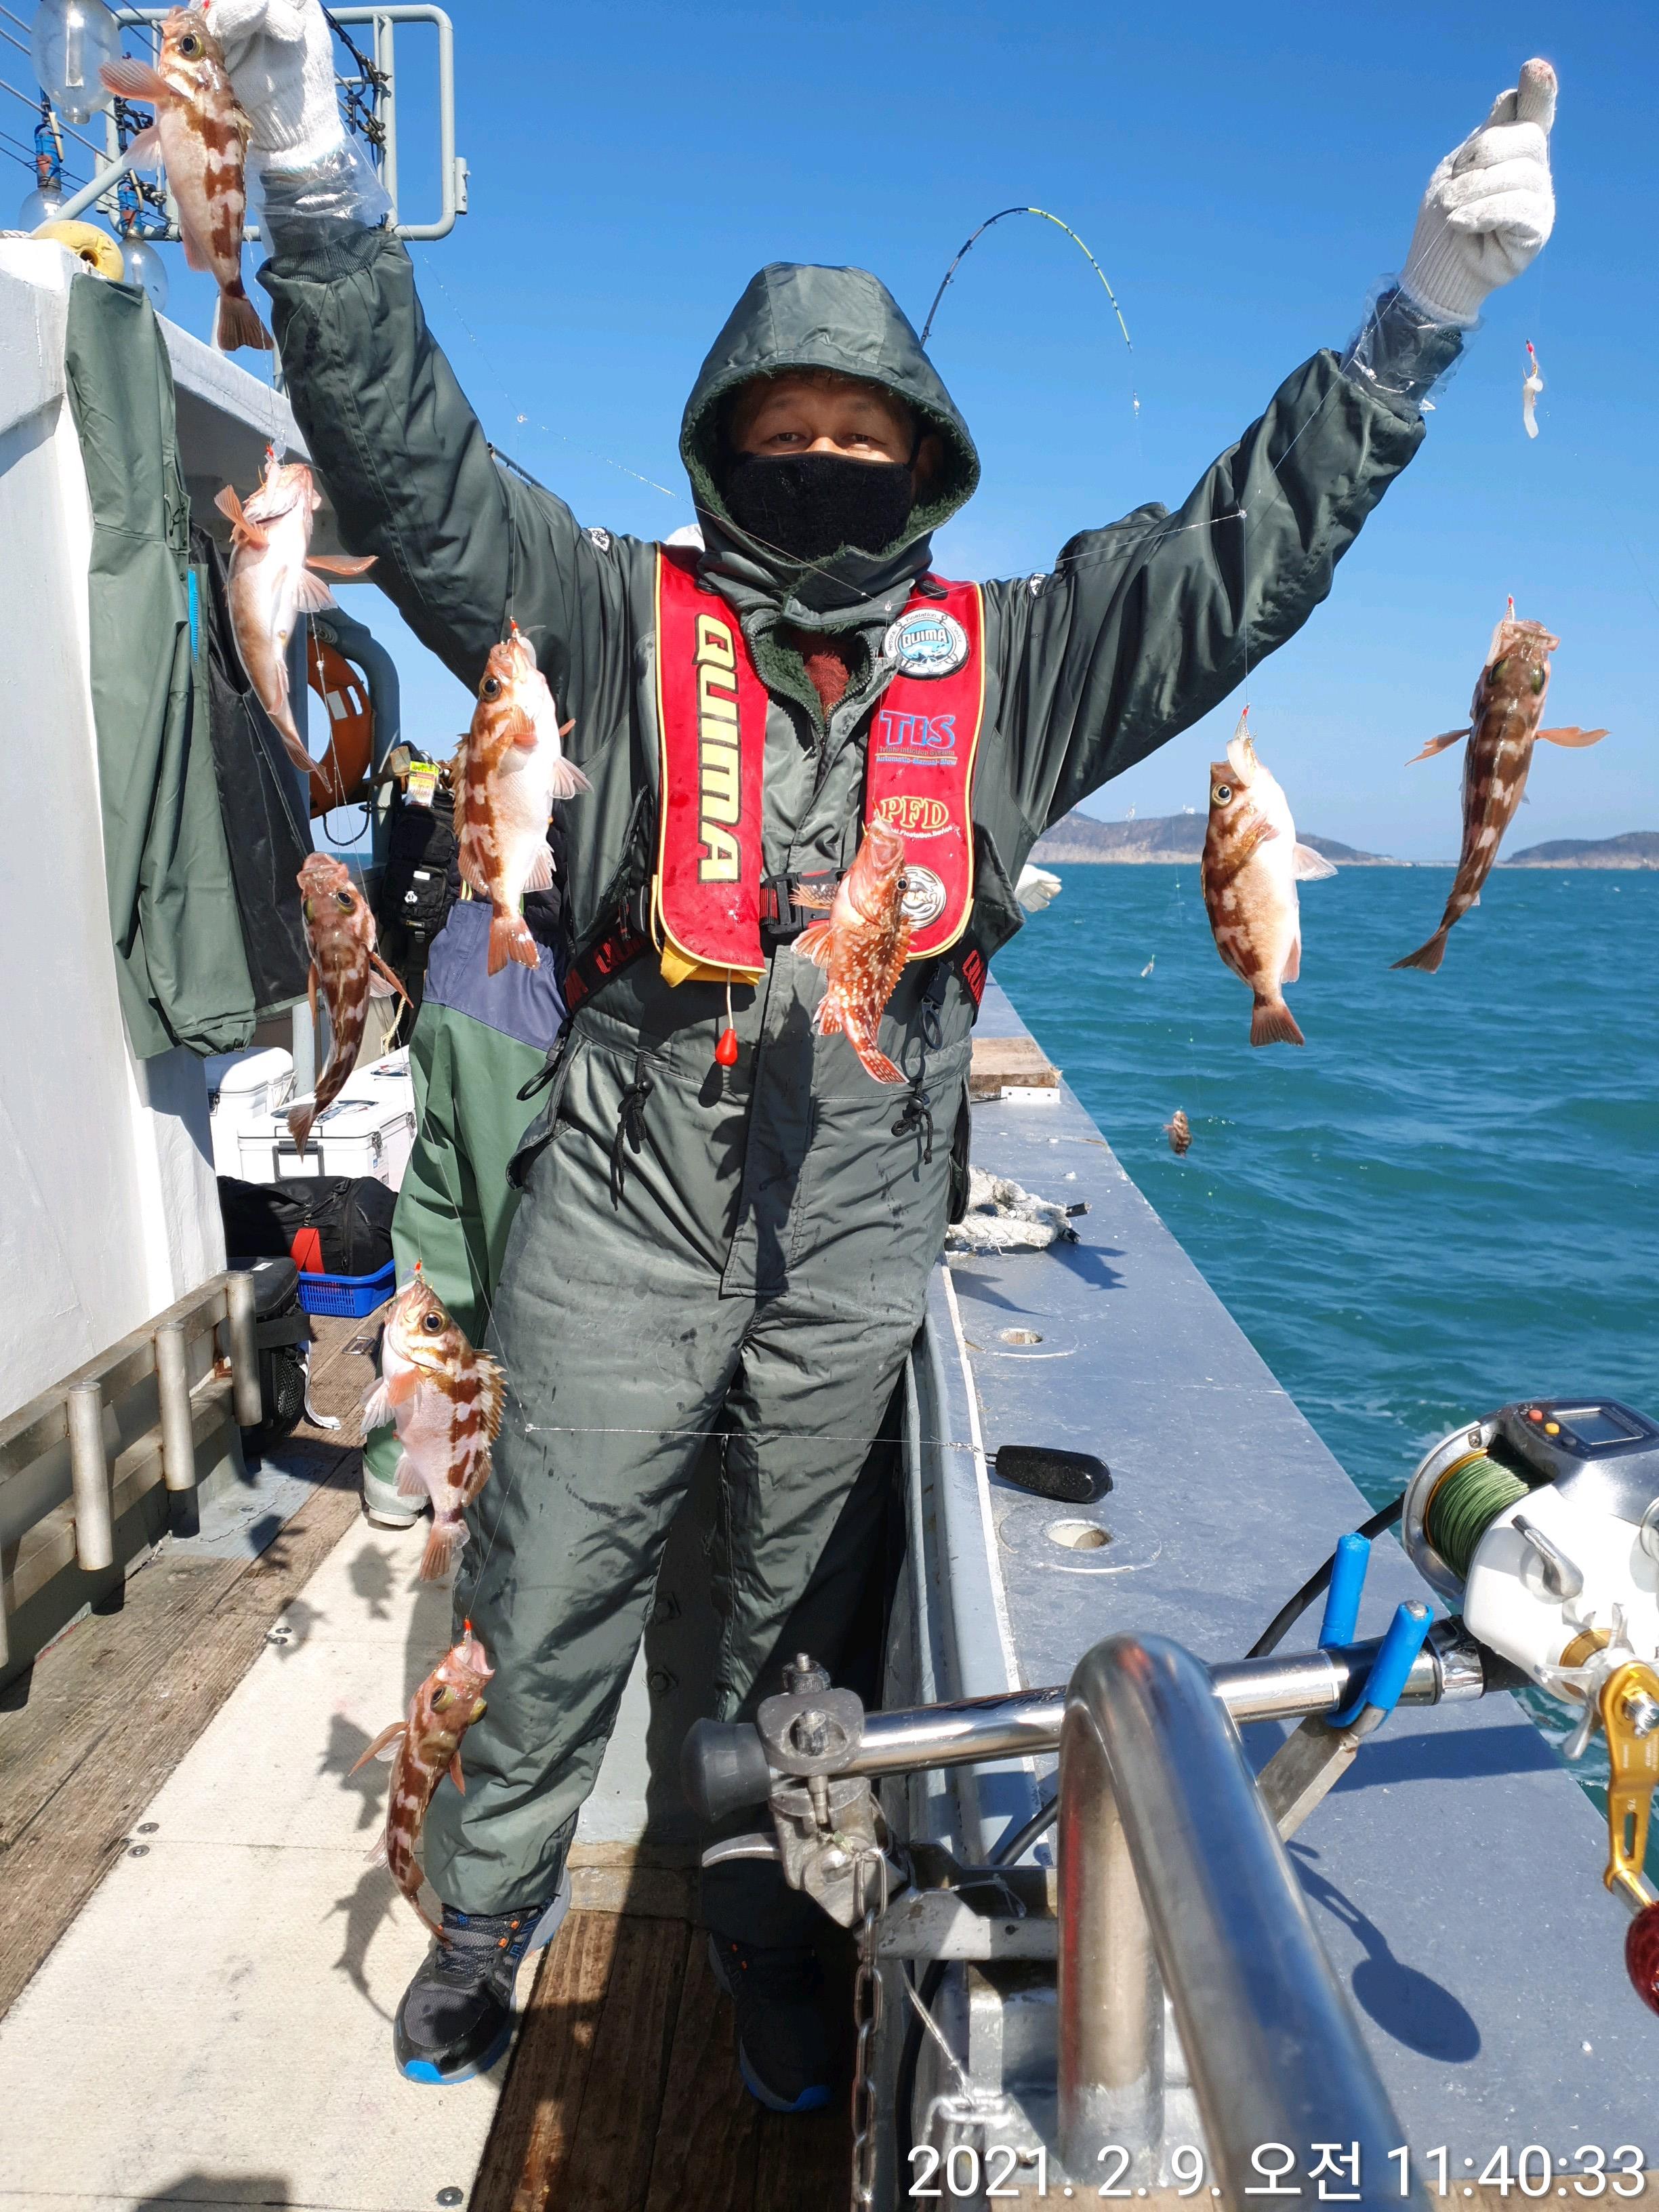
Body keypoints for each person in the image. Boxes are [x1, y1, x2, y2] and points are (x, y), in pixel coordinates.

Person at [213, 0, 1558, 2103]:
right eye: (790, 433)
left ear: (925, 462)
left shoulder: (1018, 668)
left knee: (793, 1657)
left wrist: (1415, 329)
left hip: (852, 1251)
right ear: (721, 447)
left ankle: (767, 1960)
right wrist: (315, 186)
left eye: (865, 441)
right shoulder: (603, 616)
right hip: (620, 1216)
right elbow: (418, 471)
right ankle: (480, 1927)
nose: (826, 467)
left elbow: (1235, 563)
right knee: (550, 1592)